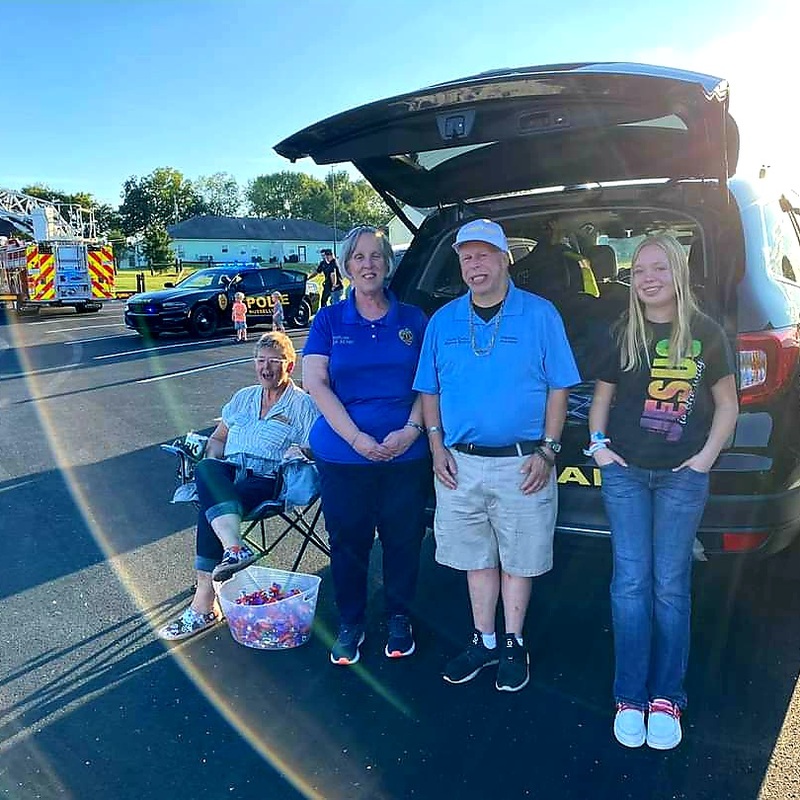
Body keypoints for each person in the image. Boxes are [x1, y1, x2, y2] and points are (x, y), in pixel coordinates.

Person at [413, 218, 580, 692]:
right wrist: (435, 446)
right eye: (465, 256)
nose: (473, 264)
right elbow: (429, 389)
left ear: (507, 258)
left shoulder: (541, 314)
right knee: (476, 559)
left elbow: (559, 387)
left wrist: (548, 451)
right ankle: (484, 640)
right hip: (459, 464)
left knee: (518, 559)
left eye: (484, 254)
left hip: (523, 463)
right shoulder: (443, 321)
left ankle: (514, 642)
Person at [588, 233, 738, 749]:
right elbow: (601, 402)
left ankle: (666, 696)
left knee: (670, 586)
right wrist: (599, 448)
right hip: (625, 475)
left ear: (678, 273)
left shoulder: (706, 333)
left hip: (683, 478)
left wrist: (702, 462)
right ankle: (628, 695)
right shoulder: (621, 333)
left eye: (659, 268)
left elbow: (728, 406)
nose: (649, 278)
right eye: (641, 270)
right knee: (630, 582)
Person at [303, 225, 430, 665]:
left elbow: (430, 385)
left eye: (376, 256)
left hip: (405, 453)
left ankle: (399, 618)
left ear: (388, 265)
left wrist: (412, 430)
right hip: (343, 455)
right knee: (349, 542)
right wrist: (356, 438)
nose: (368, 264)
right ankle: (351, 622)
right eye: (358, 257)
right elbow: (316, 383)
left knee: (403, 540)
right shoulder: (329, 320)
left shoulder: (414, 319)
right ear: (346, 266)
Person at [158, 332, 319, 641]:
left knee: (211, 505)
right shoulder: (243, 397)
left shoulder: (304, 406)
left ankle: (204, 603)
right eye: (261, 361)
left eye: (275, 362)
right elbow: (218, 439)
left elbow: (316, 449)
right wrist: (216, 461)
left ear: (291, 364)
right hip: (230, 472)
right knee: (207, 468)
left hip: (268, 480)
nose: (266, 368)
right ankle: (234, 548)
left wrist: (303, 453)